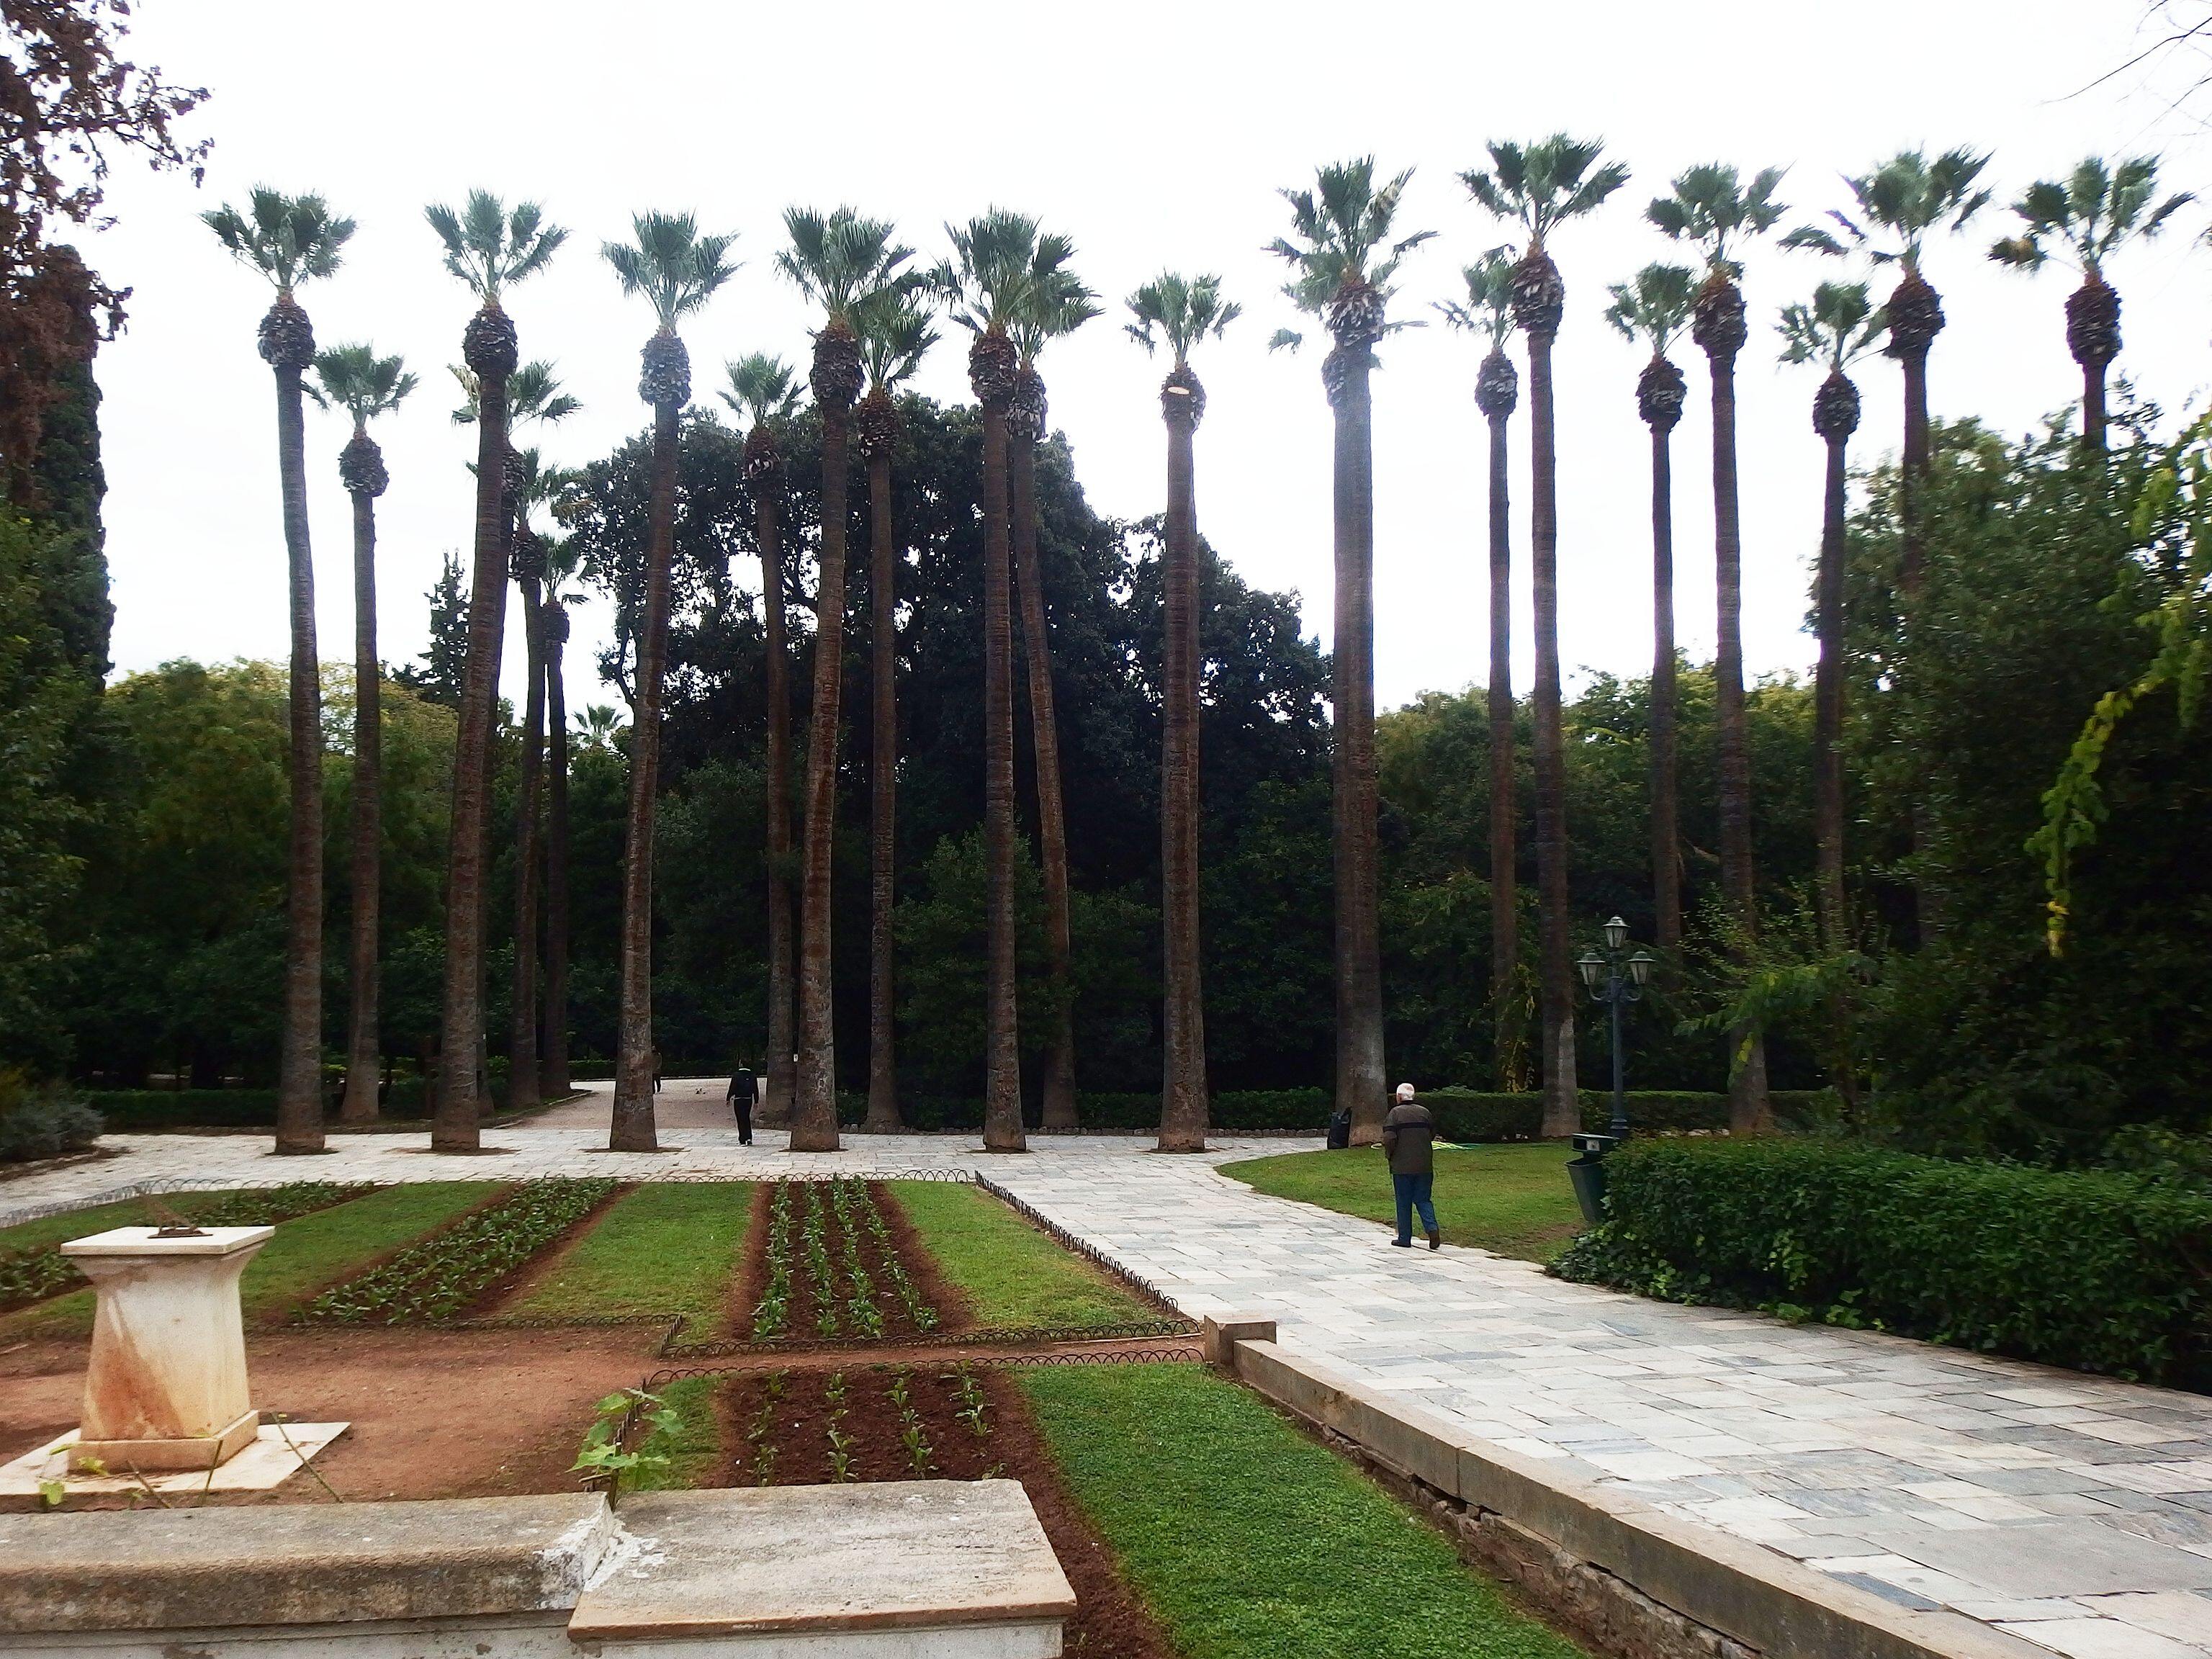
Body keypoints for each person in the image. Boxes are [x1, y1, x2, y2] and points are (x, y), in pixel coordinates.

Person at [1381, 1082, 1439, 1250]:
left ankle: (1404, 1238)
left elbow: (1390, 1139)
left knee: (1403, 1201)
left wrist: (1390, 1155)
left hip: (1402, 1166)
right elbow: (1432, 1134)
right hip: (1424, 1166)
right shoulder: (1424, 1113)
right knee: (1423, 1200)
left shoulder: (1395, 1114)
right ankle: (1432, 1229)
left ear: (1399, 1097)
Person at [727, 1064, 758, 1146]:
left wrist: (728, 1098)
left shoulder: (736, 1075)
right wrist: (756, 1101)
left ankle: (742, 1139)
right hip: (748, 1099)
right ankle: (749, 1137)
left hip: (738, 1099)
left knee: (740, 1119)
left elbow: (732, 1087)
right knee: (747, 1118)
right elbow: (755, 1089)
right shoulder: (752, 1075)